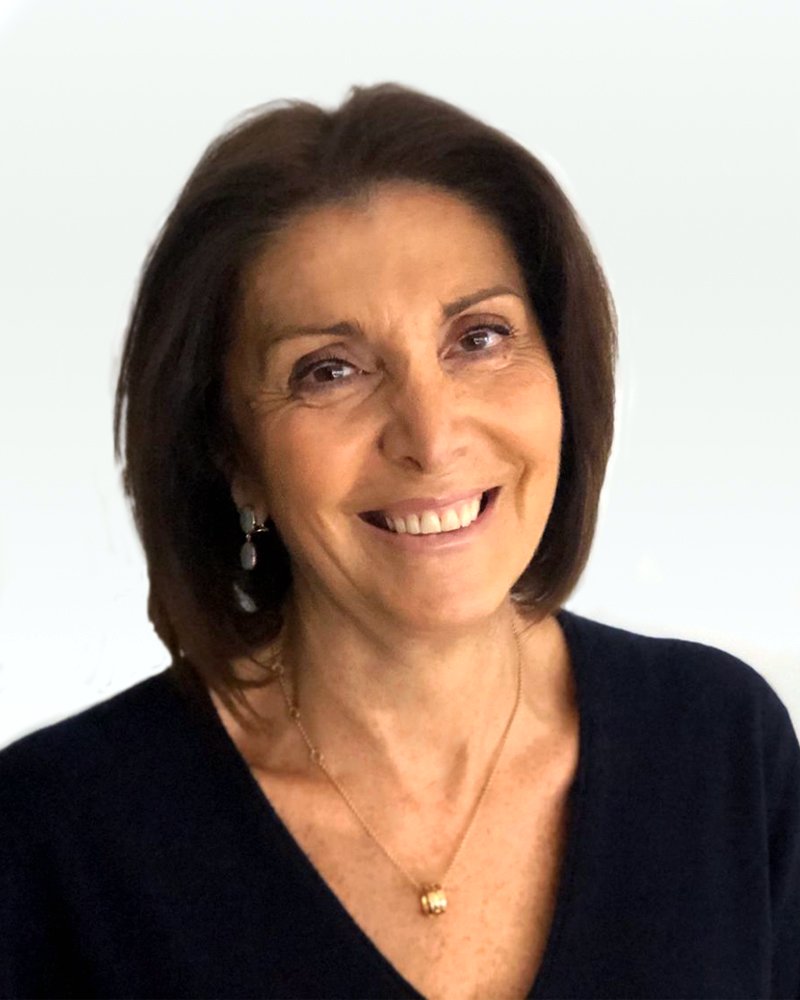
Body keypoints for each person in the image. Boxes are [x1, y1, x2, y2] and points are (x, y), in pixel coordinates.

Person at [1, 82, 798, 1000]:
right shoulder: (54, 839)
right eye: (329, 371)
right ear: (234, 456)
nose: (430, 435)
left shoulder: (721, 748)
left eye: (480, 338)